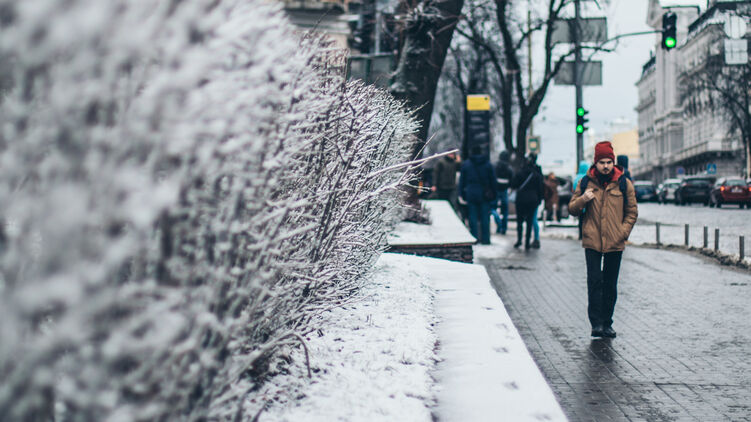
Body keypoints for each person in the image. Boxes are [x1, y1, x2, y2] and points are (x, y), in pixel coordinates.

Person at [568, 141, 638, 338]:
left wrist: (622, 232)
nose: (606, 166)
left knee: (610, 284)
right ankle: (596, 324)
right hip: (593, 240)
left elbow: (632, 212)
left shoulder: (624, 183)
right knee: (594, 282)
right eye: (602, 162)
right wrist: (583, 199)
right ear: (595, 163)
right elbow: (572, 209)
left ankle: (607, 323)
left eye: (609, 162)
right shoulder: (585, 183)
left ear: (613, 162)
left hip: (615, 242)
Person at [459, 147, 497, 245]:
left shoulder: (466, 164)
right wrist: (494, 194)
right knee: (485, 217)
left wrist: (461, 194)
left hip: (471, 193)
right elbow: (493, 181)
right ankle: (486, 239)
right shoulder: (487, 164)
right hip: (484, 194)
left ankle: (474, 238)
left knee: (473, 217)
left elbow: (461, 181)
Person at [510, 154, 543, 250]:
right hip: (533, 200)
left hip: (521, 199)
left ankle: (519, 240)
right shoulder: (536, 174)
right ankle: (527, 243)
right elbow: (540, 189)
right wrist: (539, 200)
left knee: (519, 221)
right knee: (529, 222)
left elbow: (513, 184)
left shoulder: (520, 172)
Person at [491, 151, 513, 234]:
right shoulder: (509, 168)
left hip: (495, 190)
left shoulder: (495, 166)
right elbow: (512, 180)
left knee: (492, 208)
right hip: (504, 190)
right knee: (505, 211)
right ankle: (504, 228)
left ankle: (498, 223)